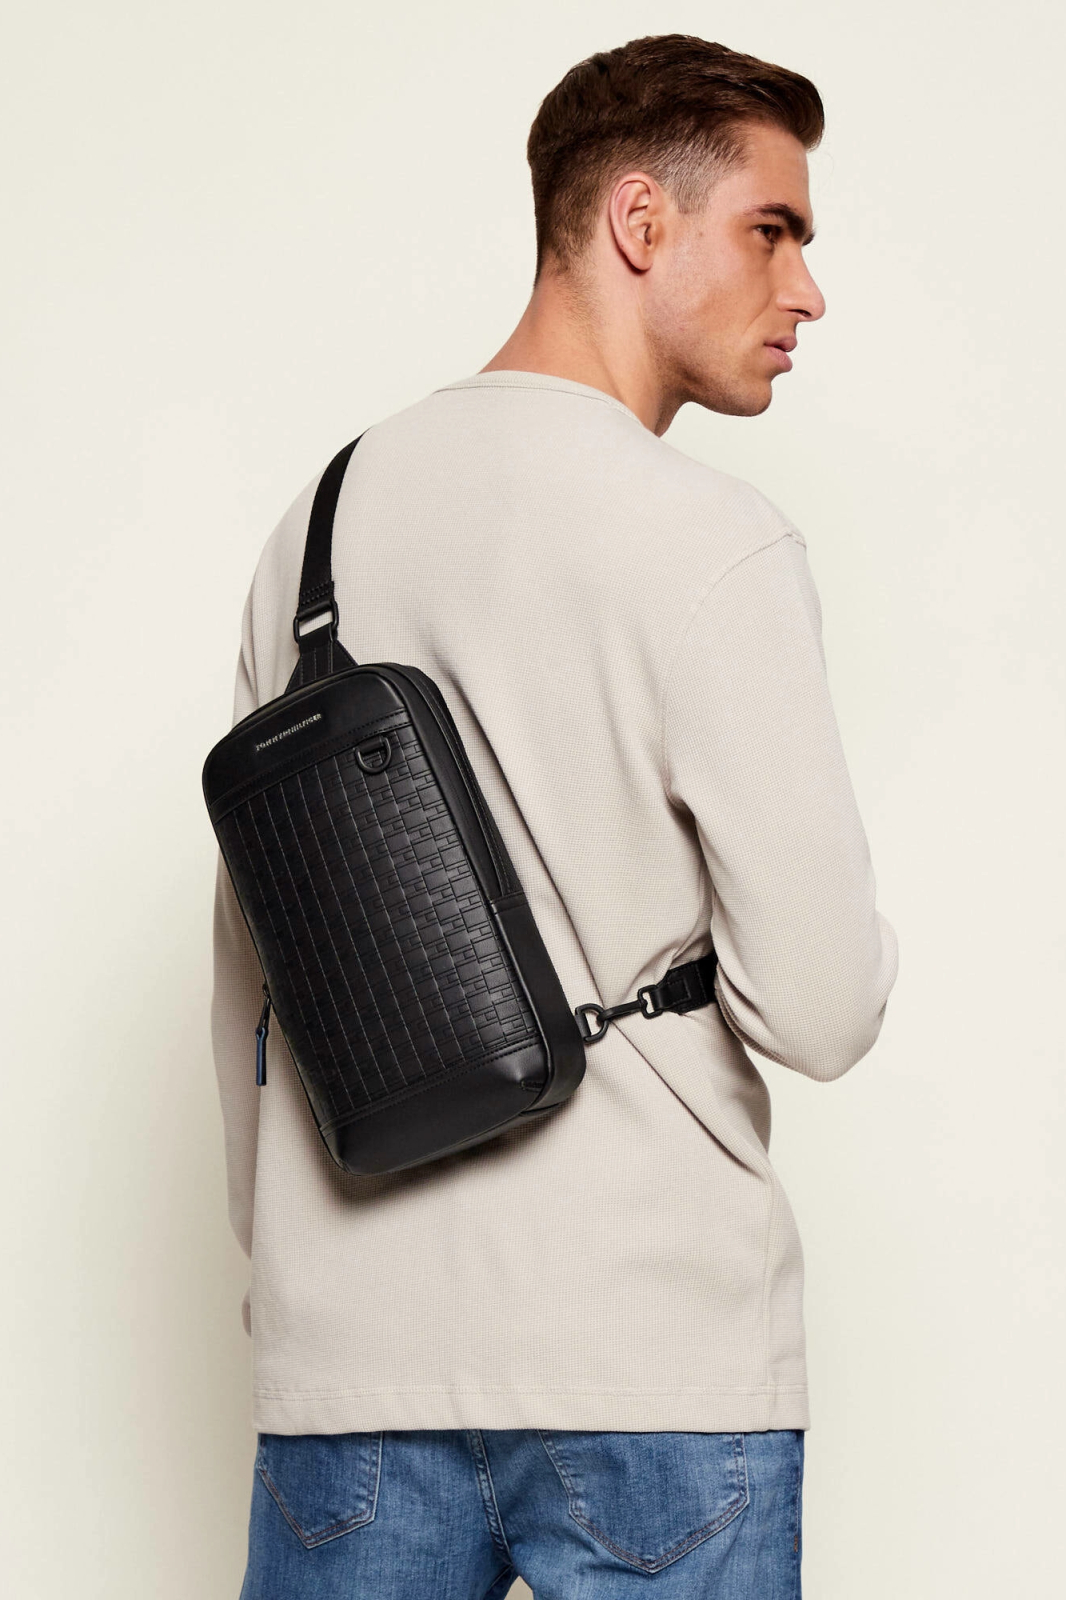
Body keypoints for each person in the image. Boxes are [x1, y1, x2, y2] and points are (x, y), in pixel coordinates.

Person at [212, 33, 899, 1599]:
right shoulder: (707, 540)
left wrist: (294, 1281)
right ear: (638, 221)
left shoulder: (316, 525)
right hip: (647, 1352)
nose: (803, 290)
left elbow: (254, 958)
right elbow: (820, 1008)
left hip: (349, 1363)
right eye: (771, 231)